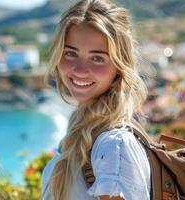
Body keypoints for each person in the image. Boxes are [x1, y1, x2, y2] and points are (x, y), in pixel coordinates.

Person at [41, 0, 151, 199]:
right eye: (70, 53)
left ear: (120, 65)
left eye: (97, 58)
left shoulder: (115, 146)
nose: (80, 70)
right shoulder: (85, 131)